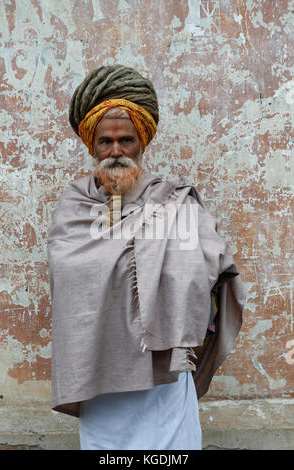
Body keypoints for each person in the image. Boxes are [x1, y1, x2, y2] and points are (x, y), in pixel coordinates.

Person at [47, 65, 246, 450]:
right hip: (97, 372)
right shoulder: (73, 208)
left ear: (143, 142)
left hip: (163, 376)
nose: (117, 151)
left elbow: (212, 270)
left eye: (127, 140)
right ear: (92, 145)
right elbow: (68, 276)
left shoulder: (177, 205)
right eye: (106, 142)